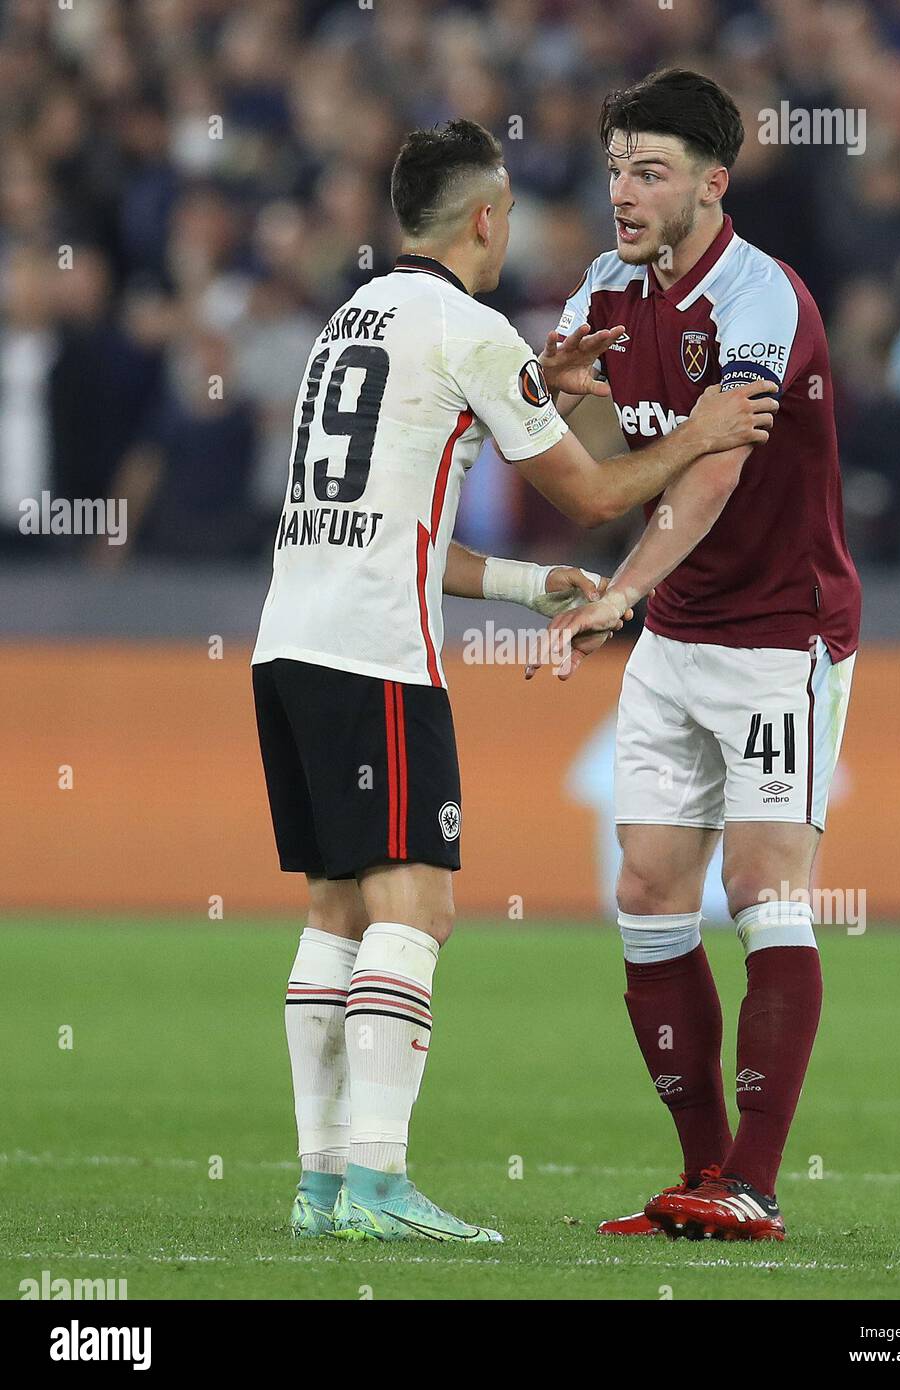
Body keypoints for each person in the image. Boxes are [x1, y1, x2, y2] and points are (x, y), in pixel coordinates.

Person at [250, 117, 779, 1244]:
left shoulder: (347, 323)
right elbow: (593, 493)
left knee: (335, 910)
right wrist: (701, 430)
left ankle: (320, 1183)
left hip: (288, 640)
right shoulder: (470, 327)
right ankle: (380, 1186)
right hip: (376, 657)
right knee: (417, 909)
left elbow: (390, 526)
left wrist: (531, 581)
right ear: (487, 217)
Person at [538, 69, 861, 1242]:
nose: (622, 191)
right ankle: (700, 1173)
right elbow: (579, 459)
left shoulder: (759, 299)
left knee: (764, 885)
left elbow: (714, 471)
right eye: (615, 165)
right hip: (675, 632)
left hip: (780, 631)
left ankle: (754, 1186)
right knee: (645, 891)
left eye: (650, 170)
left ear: (712, 185)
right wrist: (539, 394)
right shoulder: (605, 289)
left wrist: (619, 592)